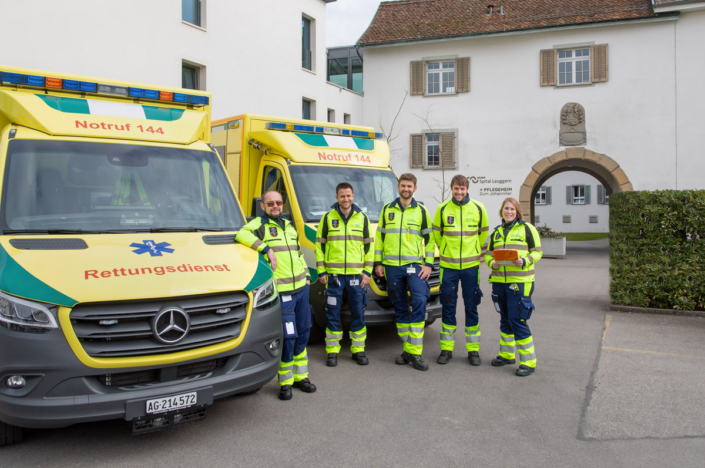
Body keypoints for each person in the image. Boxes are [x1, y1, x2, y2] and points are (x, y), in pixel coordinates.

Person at [235, 190, 317, 399]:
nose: (275, 206)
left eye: (278, 203)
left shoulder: (289, 225)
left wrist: (307, 275)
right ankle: (286, 382)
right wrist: (266, 249)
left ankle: (301, 377)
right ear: (262, 206)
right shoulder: (258, 225)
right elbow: (241, 234)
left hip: (301, 289)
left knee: (304, 332)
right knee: (289, 337)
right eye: (270, 203)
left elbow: (297, 253)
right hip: (283, 293)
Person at [374, 173, 435, 371]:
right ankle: (408, 350)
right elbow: (380, 238)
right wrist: (378, 262)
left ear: (415, 188)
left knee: (419, 301)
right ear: (398, 187)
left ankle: (414, 352)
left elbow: (431, 240)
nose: (406, 189)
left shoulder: (422, 211)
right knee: (399, 306)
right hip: (392, 267)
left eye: (409, 186)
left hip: (416, 267)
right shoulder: (387, 210)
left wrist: (428, 264)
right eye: (403, 185)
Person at [315, 182, 374, 367]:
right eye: (342, 196)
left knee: (358, 312)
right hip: (334, 277)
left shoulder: (362, 219)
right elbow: (319, 246)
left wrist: (367, 271)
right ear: (336, 198)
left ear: (353, 196)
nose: (346, 199)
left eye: (348, 196)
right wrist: (321, 270)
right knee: (332, 313)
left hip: (357, 277)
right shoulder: (327, 218)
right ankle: (332, 352)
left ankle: (359, 350)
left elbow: (370, 248)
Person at [432, 175, 489, 366]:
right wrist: (447, 251)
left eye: (462, 189)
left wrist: (473, 252)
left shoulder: (479, 208)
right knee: (448, 307)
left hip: (471, 268)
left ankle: (473, 351)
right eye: (456, 188)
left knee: (471, 307)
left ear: (467, 189)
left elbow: (483, 234)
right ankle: (446, 350)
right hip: (448, 267)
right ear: (451, 188)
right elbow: (437, 236)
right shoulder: (442, 209)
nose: (459, 192)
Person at [483, 197, 542, 377]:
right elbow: (488, 254)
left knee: (518, 320)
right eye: (506, 209)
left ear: (517, 211)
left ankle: (528, 362)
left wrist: (524, 261)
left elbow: (538, 252)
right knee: (505, 319)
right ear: (502, 211)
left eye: (512, 209)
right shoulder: (496, 233)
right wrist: (491, 263)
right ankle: (507, 355)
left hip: (520, 283)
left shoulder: (527, 229)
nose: (508, 212)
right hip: (500, 282)